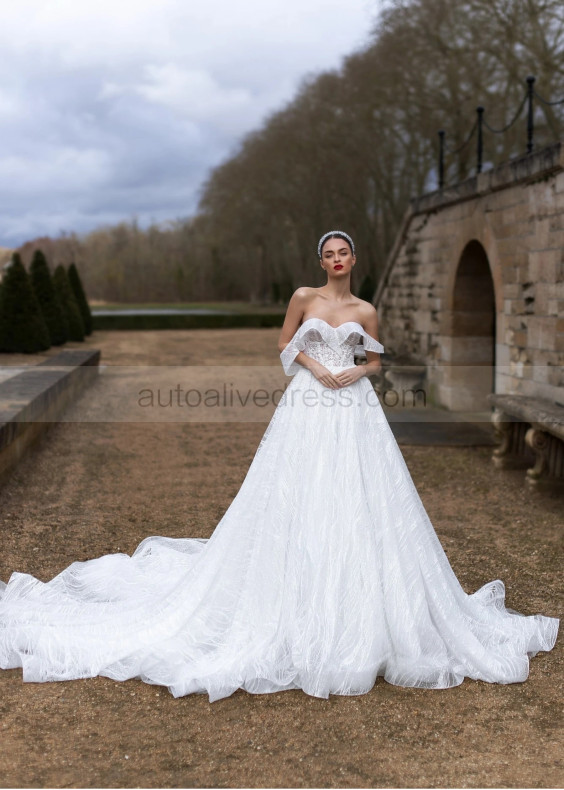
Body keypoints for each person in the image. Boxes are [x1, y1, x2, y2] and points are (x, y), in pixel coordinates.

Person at [0, 230, 559, 704]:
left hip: (355, 410)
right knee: (296, 492)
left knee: (363, 498)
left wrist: (354, 374)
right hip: (309, 406)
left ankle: (363, 607)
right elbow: (284, 344)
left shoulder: (365, 310)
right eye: (329, 254)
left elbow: (376, 360)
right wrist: (318, 367)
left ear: (354, 260)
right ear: (321, 261)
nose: (337, 260)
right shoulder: (304, 297)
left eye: (344, 253)